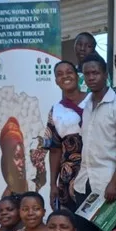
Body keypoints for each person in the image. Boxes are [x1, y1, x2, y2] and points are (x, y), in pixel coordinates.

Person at [72, 53, 116, 231]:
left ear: (105, 73)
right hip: (85, 182)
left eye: (95, 73)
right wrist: (77, 178)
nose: (91, 77)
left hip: (108, 184)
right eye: (87, 74)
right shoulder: (86, 105)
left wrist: (115, 183)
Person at [42, 61, 87, 211]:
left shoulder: (94, 100)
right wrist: (52, 184)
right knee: (72, 226)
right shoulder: (56, 111)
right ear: (56, 81)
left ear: (77, 75)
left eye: (69, 72)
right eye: (59, 74)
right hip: (68, 178)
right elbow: (54, 150)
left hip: (97, 174)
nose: (65, 76)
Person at [0, 117, 28, 195]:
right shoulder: (6, 201)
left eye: (23, 158)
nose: (21, 164)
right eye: (17, 157)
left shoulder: (27, 189)